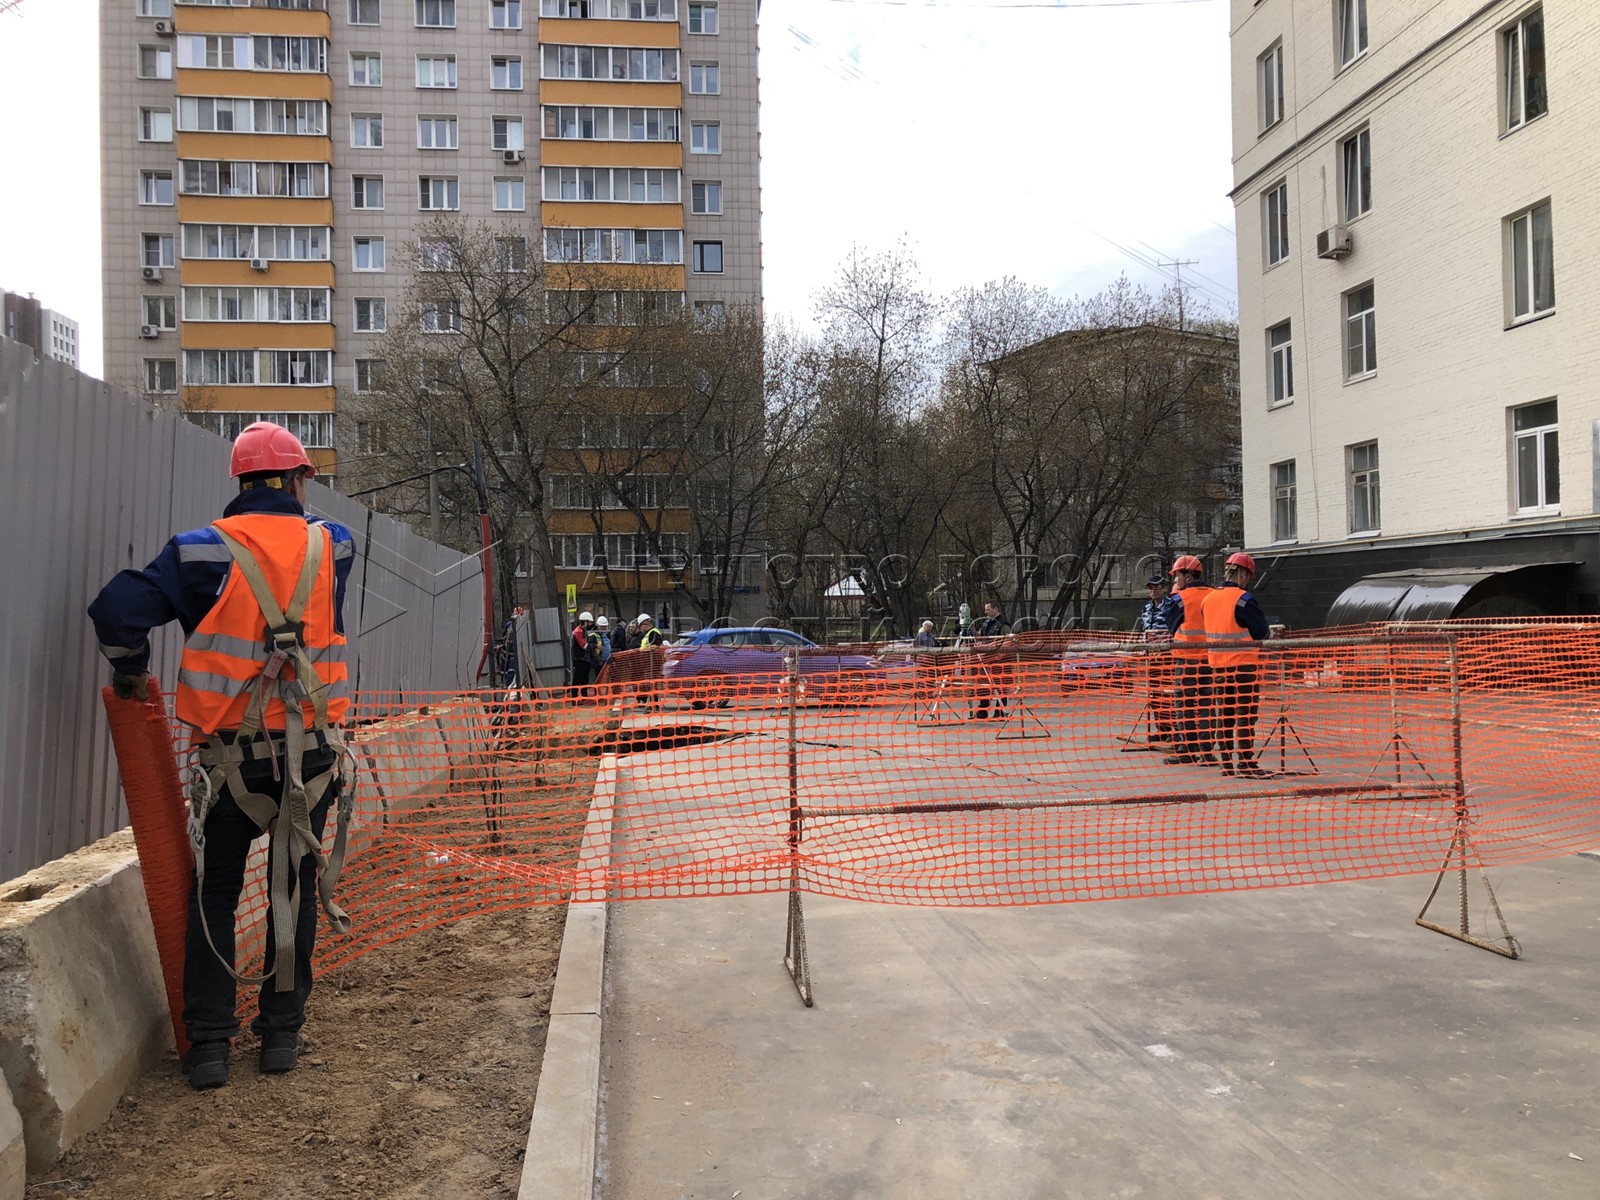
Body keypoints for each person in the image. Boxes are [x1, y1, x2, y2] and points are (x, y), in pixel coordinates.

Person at [88, 421, 357, 1090]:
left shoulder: (199, 552)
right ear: (297, 480)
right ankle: (281, 1036)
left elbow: (115, 612)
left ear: (239, 482)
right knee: (291, 888)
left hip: (232, 760)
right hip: (313, 756)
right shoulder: (336, 545)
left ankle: (209, 1044)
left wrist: (130, 670)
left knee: (215, 893)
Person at [1203, 552, 1272, 778]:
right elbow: (1261, 631)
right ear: (1242, 573)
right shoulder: (1243, 599)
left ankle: (1226, 763)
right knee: (1245, 714)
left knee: (1224, 715)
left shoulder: (1209, 599)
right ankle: (1244, 762)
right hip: (1243, 666)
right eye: (1248, 576)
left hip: (1218, 668)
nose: (1248, 581)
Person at [1163, 556, 1217, 766]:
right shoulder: (1214, 595)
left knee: (1184, 705)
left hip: (1186, 661)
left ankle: (1186, 749)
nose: (1176, 579)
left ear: (1187, 575)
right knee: (1206, 705)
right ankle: (1206, 751)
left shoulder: (1179, 598)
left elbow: (1170, 624)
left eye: (1177, 575)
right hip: (1210, 661)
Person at [970, 600, 1012, 719]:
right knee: (983, 685)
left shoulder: (1003, 624)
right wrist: (972, 629)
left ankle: (999, 711)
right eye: (985, 609)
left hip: (1000, 660)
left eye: (988, 609)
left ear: (996, 609)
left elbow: (1007, 642)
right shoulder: (986, 622)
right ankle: (983, 710)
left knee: (1000, 685)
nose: (985, 611)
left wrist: (998, 655)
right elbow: (980, 637)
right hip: (986, 660)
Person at [569, 610, 596, 694]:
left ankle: (584, 696)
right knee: (578, 679)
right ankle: (574, 698)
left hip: (585, 659)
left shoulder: (583, 631)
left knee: (585, 679)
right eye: (589, 622)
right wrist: (596, 646)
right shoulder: (578, 632)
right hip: (580, 658)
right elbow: (584, 645)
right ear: (585, 622)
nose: (590, 624)